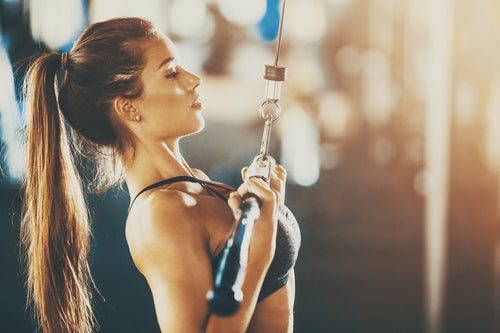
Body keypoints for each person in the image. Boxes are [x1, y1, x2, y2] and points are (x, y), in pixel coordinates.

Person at [21, 17, 300, 333]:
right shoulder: (160, 215)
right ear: (128, 108)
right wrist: (257, 254)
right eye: (171, 73)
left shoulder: (195, 182)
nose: (194, 79)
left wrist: (269, 209)